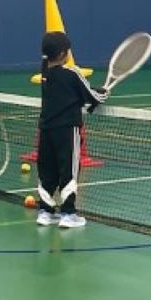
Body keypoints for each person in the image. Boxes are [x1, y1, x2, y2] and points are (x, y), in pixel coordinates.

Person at [36, 32, 108, 228]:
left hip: (46, 131)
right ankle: (68, 214)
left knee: (47, 171)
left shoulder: (45, 74)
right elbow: (92, 97)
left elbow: (72, 96)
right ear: (62, 54)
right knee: (69, 170)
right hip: (67, 131)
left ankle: (45, 212)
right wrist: (103, 93)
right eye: (68, 50)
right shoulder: (72, 73)